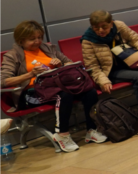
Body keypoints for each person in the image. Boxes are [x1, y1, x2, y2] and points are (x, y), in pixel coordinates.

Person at [0, 20, 105, 152]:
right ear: (21, 40)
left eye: (39, 37)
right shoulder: (12, 56)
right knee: (64, 95)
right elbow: (3, 81)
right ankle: (62, 134)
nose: (37, 41)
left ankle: (92, 130)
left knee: (89, 92)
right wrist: (30, 74)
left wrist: (60, 64)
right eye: (32, 39)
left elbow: (70, 63)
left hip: (56, 87)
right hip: (31, 94)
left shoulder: (48, 48)